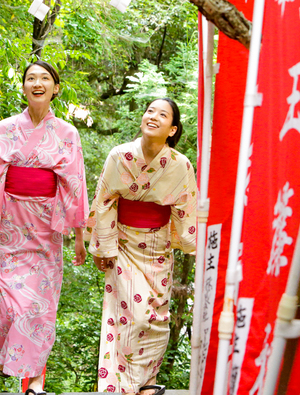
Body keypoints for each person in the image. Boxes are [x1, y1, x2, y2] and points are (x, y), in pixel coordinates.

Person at [0, 60, 88, 395]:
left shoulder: (67, 133)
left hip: (46, 228)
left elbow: (75, 186)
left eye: (45, 79)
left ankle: (35, 380)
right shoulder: (4, 128)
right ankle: (19, 363)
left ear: (56, 88)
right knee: (11, 305)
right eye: (31, 78)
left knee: (39, 305)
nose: (37, 83)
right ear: (23, 87)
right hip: (9, 222)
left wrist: (79, 237)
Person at [85, 98, 197, 395]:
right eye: (150, 111)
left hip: (158, 247)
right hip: (123, 244)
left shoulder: (180, 165)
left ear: (172, 129)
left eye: (163, 115)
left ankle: (147, 381)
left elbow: (185, 209)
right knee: (129, 314)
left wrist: (189, 242)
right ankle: (125, 384)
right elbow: (105, 200)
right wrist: (103, 247)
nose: (153, 117)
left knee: (156, 316)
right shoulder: (118, 155)